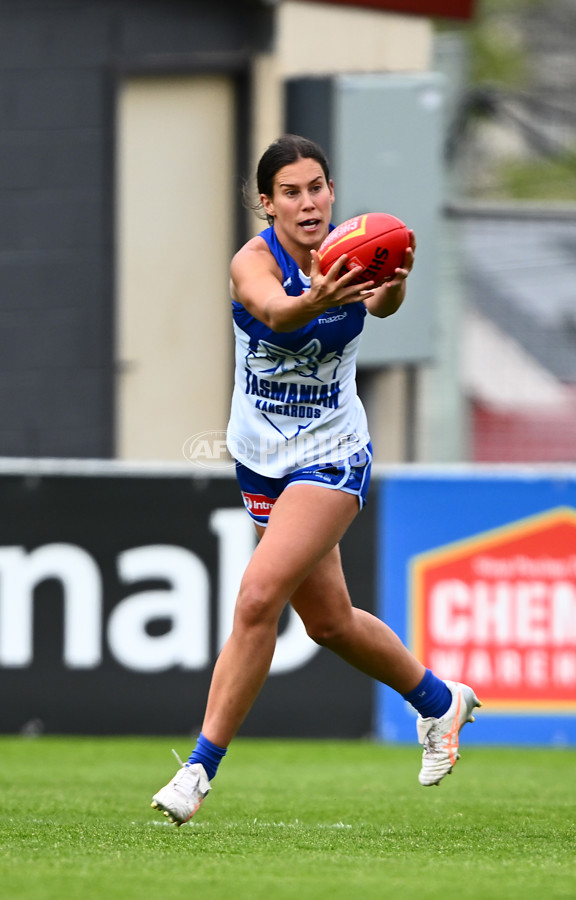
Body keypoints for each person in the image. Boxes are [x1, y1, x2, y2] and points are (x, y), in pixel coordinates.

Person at [151, 134, 480, 826]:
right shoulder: (252, 262)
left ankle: (197, 772)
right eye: (292, 192)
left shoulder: (357, 250)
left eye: (318, 187)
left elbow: (382, 308)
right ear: (266, 204)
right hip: (260, 457)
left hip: (332, 455)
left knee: (256, 597)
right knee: (328, 622)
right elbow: (275, 314)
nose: (309, 202)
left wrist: (393, 280)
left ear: (332, 190)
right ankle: (437, 700)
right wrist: (320, 294)